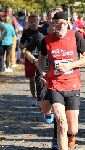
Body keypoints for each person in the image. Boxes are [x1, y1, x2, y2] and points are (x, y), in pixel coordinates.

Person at [38, 12, 85, 150]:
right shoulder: (46, 40)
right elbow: (41, 58)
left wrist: (69, 65)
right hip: (54, 85)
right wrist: (42, 72)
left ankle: (71, 137)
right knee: (61, 122)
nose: (60, 26)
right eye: (57, 23)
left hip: (73, 84)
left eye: (63, 23)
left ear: (68, 23)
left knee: (73, 129)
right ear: (53, 24)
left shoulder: (75, 36)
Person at [25, 9, 59, 150]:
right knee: (45, 107)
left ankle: (56, 139)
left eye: (58, 18)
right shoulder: (40, 35)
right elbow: (26, 51)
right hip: (43, 73)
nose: (55, 21)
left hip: (61, 76)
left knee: (59, 109)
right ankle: (47, 111)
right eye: (53, 18)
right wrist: (34, 61)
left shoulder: (68, 35)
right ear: (48, 20)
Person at [19, 14, 43, 106]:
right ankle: (34, 97)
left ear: (38, 22)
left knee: (41, 78)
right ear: (29, 23)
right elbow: (20, 45)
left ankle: (42, 96)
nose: (33, 24)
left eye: (35, 22)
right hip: (29, 58)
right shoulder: (26, 32)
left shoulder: (42, 30)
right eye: (31, 22)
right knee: (32, 79)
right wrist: (24, 46)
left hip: (41, 58)